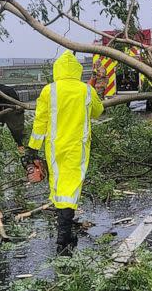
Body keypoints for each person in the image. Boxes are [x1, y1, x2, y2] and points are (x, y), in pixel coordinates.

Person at [23, 50, 104, 256]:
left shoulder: (49, 91)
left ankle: (65, 233)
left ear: (57, 69)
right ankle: (64, 235)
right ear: (77, 70)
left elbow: (40, 121)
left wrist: (33, 148)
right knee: (71, 188)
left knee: (59, 187)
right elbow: (98, 111)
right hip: (78, 147)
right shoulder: (86, 90)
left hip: (54, 147)